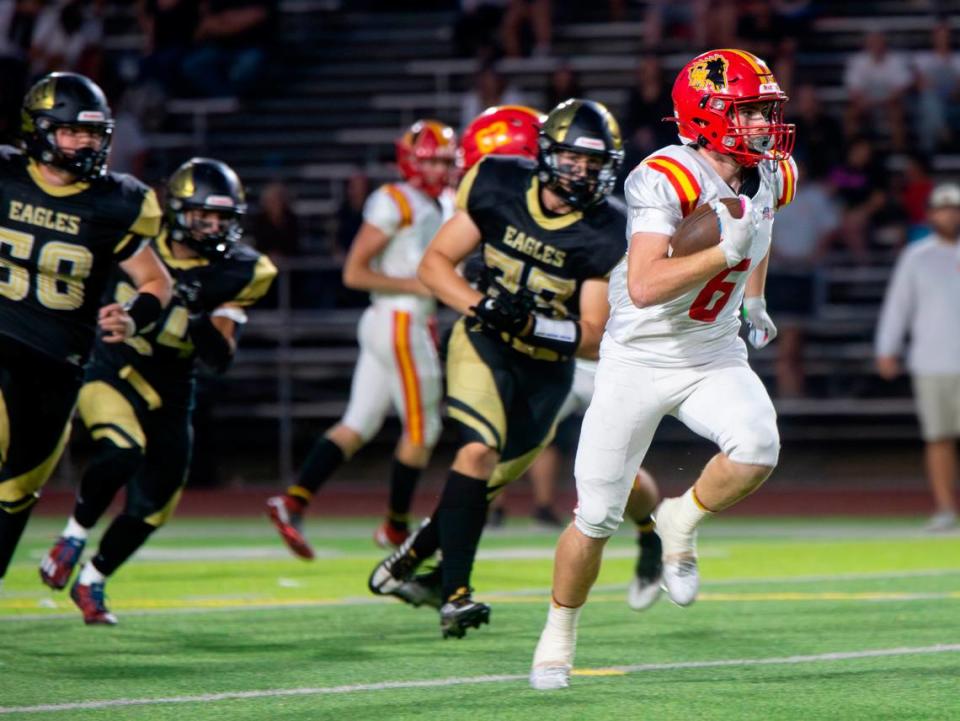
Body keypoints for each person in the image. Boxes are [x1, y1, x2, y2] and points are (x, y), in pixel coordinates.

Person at [530, 49, 798, 690]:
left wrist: (753, 295)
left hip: (712, 349)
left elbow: (756, 226)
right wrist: (720, 257)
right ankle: (559, 631)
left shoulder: (774, 172)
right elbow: (647, 286)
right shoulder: (666, 176)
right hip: (639, 357)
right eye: (750, 111)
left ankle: (681, 517)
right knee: (595, 517)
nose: (764, 123)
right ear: (707, 116)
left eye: (766, 110)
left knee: (759, 445)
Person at [368, 99, 628, 639]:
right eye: (573, 161)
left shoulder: (607, 230)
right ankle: (456, 593)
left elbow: (593, 335)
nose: (582, 173)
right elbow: (434, 265)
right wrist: (483, 306)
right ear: (547, 157)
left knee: (485, 482)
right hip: (483, 340)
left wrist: (534, 328)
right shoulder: (496, 182)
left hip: (546, 367)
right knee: (477, 450)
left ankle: (416, 553)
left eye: (594, 164)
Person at [38, 158, 276, 623]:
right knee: (124, 449)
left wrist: (198, 312)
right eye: (202, 217)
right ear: (177, 212)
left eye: (222, 219)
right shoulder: (136, 243)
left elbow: (220, 358)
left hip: (172, 388)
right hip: (111, 368)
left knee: (155, 506)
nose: (212, 228)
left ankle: (93, 580)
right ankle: (73, 534)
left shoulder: (241, 271)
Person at [0, 72, 173, 591]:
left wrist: (133, 316)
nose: (85, 143)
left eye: (93, 134)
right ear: (39, 130)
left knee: (17, 494)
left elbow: (155, 282)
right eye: (73, 132)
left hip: (57, 367)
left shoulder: (116, 202)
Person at [266, 120, 456, 557]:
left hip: (392, 322)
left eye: (447, 160)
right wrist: (421, 285)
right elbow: (354, 272)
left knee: (359, 423)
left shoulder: (441, 201)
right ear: (411, 162)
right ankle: (395, 529)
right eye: (435, 161)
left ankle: (292, 501)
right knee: (424, 429)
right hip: (400, 321)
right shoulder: (396, 200)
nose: (442, 169)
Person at [875, 182, 960, 533]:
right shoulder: (917, 255)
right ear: (931, 214)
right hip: (932, 360)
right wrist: (887, 349)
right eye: (943, 209)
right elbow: (899, 305)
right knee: (938, 438)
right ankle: (944, 508)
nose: (949, 215)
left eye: (954, 209)